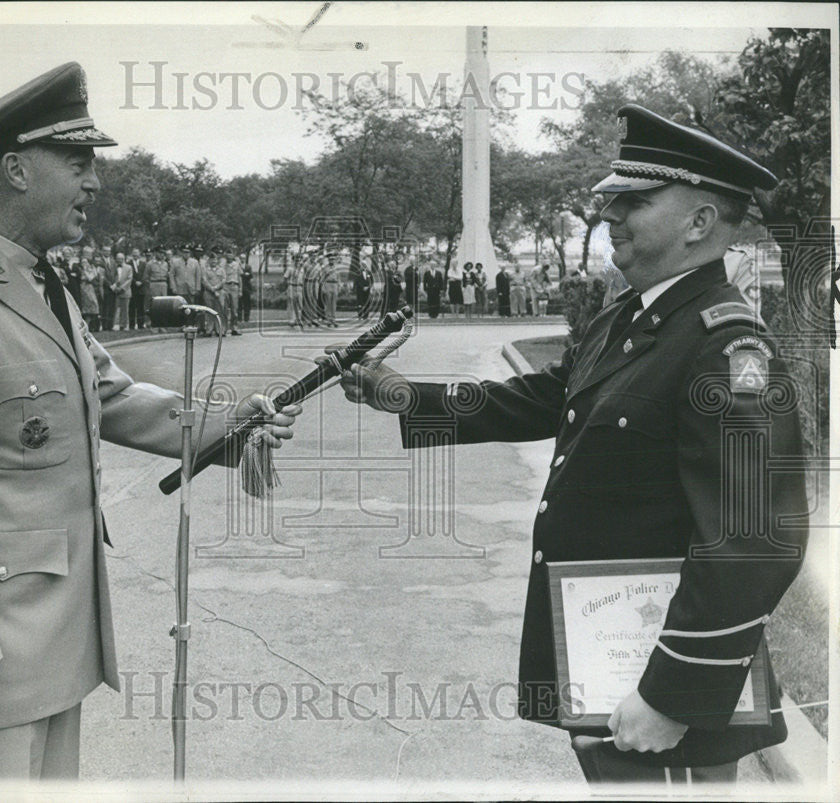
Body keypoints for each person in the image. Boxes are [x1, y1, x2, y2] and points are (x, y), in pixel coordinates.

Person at [337, 103, 807, 787]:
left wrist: (670, 693)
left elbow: (754, 536)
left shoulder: (727, 346)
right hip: (610, 657)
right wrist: (409, 397)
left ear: (700, 222)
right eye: (613, 199)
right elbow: (548, 397)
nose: (611, 215)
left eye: (634, 201)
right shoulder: (630, 316)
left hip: (665, 690)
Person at [0, 63, 301, 781]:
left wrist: (228, 426)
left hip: (55, 643)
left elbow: (112, 394)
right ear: (14, 169)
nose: (94, 183)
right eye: (77, 163)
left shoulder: (42, 284)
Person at [145, 249, 170, 326]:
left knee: (164, 305)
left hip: (163, 284)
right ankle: (154, 323)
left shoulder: (166, 264)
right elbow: (146, 276)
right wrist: (150, 286)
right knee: (155, 305)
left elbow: (168, 275)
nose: (161, 255)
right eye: (159, 253)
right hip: (154, 284)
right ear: (156, 253)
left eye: (163, 253)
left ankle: (162, 323)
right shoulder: (150, 264)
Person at [80, 253, 102, 331]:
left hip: (89, 288)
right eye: (82, 262)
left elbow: (91, 277)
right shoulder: (80, 269)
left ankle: (91, 326)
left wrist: (88, 269)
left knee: (92, 307)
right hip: (82, 289)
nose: (84, 264)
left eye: (85, 262)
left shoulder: (89, 269)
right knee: (85, 309)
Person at [222, 252, 242, 335]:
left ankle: (234, 327)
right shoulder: (222, 265)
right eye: (227, 254)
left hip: (234, 285)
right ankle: (224, 328)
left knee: (234, 309)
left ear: (233, 256)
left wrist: (240, 289)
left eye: (231, 254)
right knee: (224, 309)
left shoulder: (237, 265)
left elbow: (239, 277)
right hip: (225, 286)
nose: (229, 256)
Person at [128, 247, 147, 329]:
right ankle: (131, 324)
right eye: (134, 254)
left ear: (139, 254)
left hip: (141, 288)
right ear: (132, 255)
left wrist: (141, 282)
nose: (135, 255)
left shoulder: (144, 264)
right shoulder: (128, 263)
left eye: (137, 253)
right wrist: (135, 282)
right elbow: (128, 275)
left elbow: (145, 274)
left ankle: (141, 324)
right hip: (132, 287)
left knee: (141, 307)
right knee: (132, 307)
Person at [283, 256, 304, 328]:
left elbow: (303, 278)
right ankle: (291, 320)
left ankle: (299, 320)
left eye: (299, 260)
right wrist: (288, 286)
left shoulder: (301, 269)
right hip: (292, 286)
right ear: (293, 261)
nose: (297, 262)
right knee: (291, 303)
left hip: (299, 287)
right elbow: (285, 278)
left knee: (299, 304)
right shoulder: (290, 269)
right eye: (296, 260)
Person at [113, 251, 132, 330]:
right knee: (114, 309)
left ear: (123, 259)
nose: (119, 260)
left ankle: (123, 325)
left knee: (125, 310)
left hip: (125, 291)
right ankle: (113, 325)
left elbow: (129, 279)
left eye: (121, 258)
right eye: (118, 258)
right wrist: (115, 287)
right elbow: (111, 277)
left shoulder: (128, 267)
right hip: (114, 291)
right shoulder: (113, 267)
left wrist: (121, 288)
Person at [239, 256, 254, 323]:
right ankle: (239, 318)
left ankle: (246, 318)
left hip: (247, 287)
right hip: (239, 287)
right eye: (241, 258)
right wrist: (245, 274)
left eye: (244, 258)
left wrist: (244, 274)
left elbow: (251, 275)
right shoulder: (237, 266)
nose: (242, 259)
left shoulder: (248, 267)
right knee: (239, 303)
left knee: (247, 303)